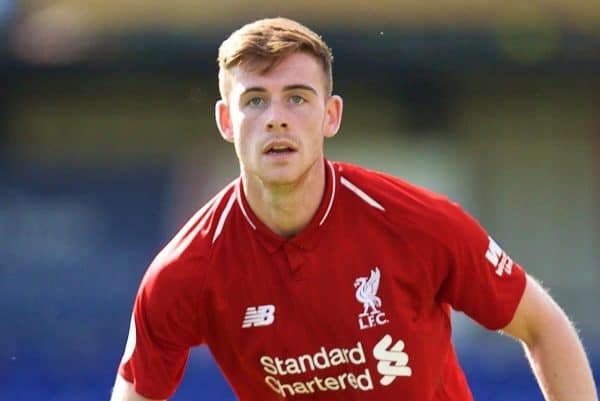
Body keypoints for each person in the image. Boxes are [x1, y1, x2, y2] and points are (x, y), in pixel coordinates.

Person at [110, 17, 598, 401]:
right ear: (225, 121)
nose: (276, 119)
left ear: (331, 115)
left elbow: (543, 325)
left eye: (297, 98)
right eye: (254, 101)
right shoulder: (184, 272)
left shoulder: (417, 224)